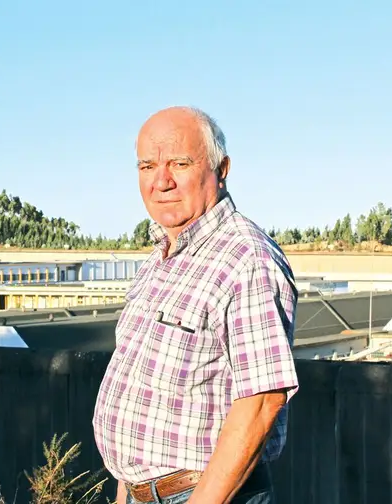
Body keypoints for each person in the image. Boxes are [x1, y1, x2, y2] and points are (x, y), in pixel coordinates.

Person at [92, 106, 299, 504]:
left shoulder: (245, 257)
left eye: (179, 163)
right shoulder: (161, 260)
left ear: (221, 170)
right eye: (147, 166)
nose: (161, 180)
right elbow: (141, 392)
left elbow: (260, 402)